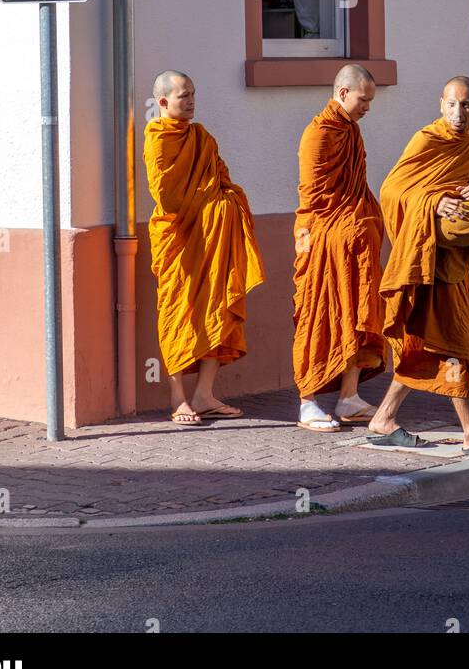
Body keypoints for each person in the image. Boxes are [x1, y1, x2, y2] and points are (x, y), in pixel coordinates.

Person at [367, 76, 469, 460]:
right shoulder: (426, 141)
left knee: (427, 342)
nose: (458, 113)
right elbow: (392, 191)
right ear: (440, 103)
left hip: (454, 260)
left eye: (467, 106)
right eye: (452, 104)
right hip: (425, 259)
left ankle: (383, 419)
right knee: (453, 342)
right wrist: (432, 203)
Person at [144, 71, 265, 426]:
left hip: (212, 237)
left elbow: (223, 180)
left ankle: (205, 394)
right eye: (183, 96)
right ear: (164, 102)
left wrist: (225, 202)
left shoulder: (202, 137)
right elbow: (166, 196)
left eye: (194, 94)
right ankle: (178, 398)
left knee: (217, 305)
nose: (191, 101)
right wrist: (207, 203)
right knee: (177, 312)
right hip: (179, 239)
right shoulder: (157, 140)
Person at [293, 64, 387, 431]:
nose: (368, 107)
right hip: (320, 237)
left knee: (355, 312)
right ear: (343, 93)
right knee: (316, 315)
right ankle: (307, 401)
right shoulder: (319, 133)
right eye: (364, 100)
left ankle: (348, 398)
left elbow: (356, 187)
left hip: (351, 239)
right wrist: (350, 225)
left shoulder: (351, 131)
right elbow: (315, 199)